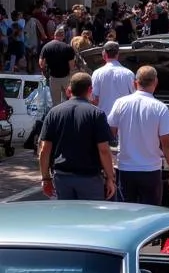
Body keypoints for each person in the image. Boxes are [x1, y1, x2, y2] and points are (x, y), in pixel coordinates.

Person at [38, 72, 117, 201]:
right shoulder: (96, 114)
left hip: (62, 179)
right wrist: (110, 178)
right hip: (89, 179)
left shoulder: (54, 113)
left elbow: (44, 149)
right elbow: (104, 150)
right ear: (90, 90)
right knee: (90, 219)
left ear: (69, 90)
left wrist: (45, 178)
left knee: (66, 219)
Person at [108, 65, 169, 205]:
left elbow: (110, 134)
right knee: (151, 214)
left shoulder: (120, 103)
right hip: (150, 170)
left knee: (126, 213)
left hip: (125, 168)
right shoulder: (160, 108)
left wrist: (109, 164)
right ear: (155, 82)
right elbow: (166, 143)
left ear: (135, 82)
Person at [90, 41, 138, 119]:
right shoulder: (128, 74)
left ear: (104, 54)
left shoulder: (97, 73)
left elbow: (94, 98)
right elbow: (135, 96)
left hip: (103, 118)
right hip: (123, 118)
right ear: (117, 54)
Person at [40, 27, 76, 105]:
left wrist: (45, 72)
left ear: (54, 35)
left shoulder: (46, 47)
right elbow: (72, 66)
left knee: (56, 103)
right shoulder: (68, 48)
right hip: (66, 78)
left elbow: (41, 64)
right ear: (63, 36)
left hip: (53, 78)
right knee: (68, 101)